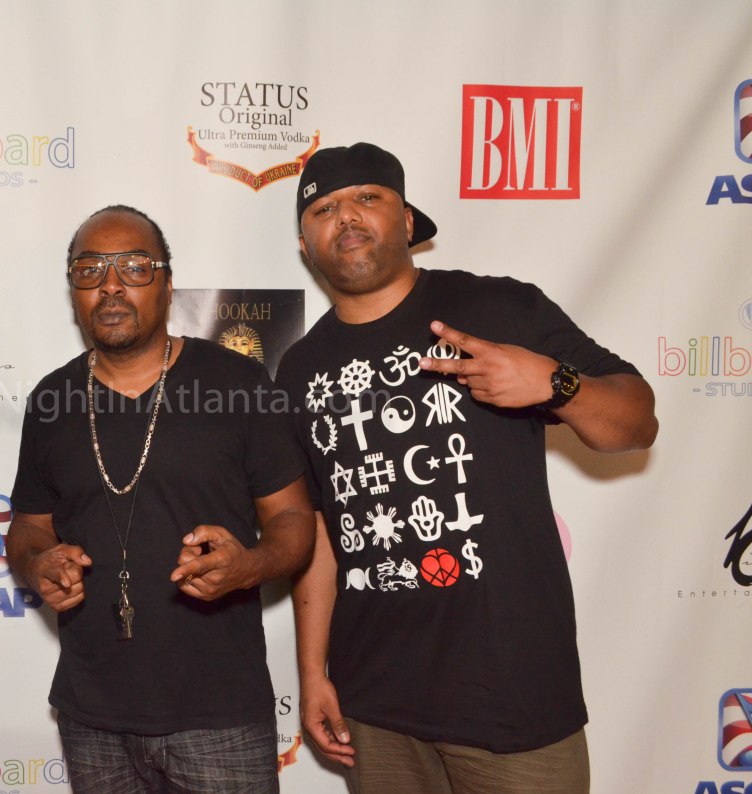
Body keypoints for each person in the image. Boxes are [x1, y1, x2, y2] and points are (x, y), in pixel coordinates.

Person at [275, 143, 658, 793]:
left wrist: (555, 383)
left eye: (368, 198)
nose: (347, 217)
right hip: (375, 705)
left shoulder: (498, 308)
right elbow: (318, 531)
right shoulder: (301, 369)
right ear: (306, 245)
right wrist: (313, 673)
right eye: (324, 208)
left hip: (513, 698)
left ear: (406, 221)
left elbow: (637, 422)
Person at [7, 205, 315, 794]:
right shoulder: (51, 400)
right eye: (90, 270)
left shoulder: (239, 384)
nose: (111, 285)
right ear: (73, 290)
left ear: (168, 285)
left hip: (220, 716)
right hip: (92, 714)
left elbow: (295, 518)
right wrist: (37, 562)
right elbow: (28, 528)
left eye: (134, 267)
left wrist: (249, 565)